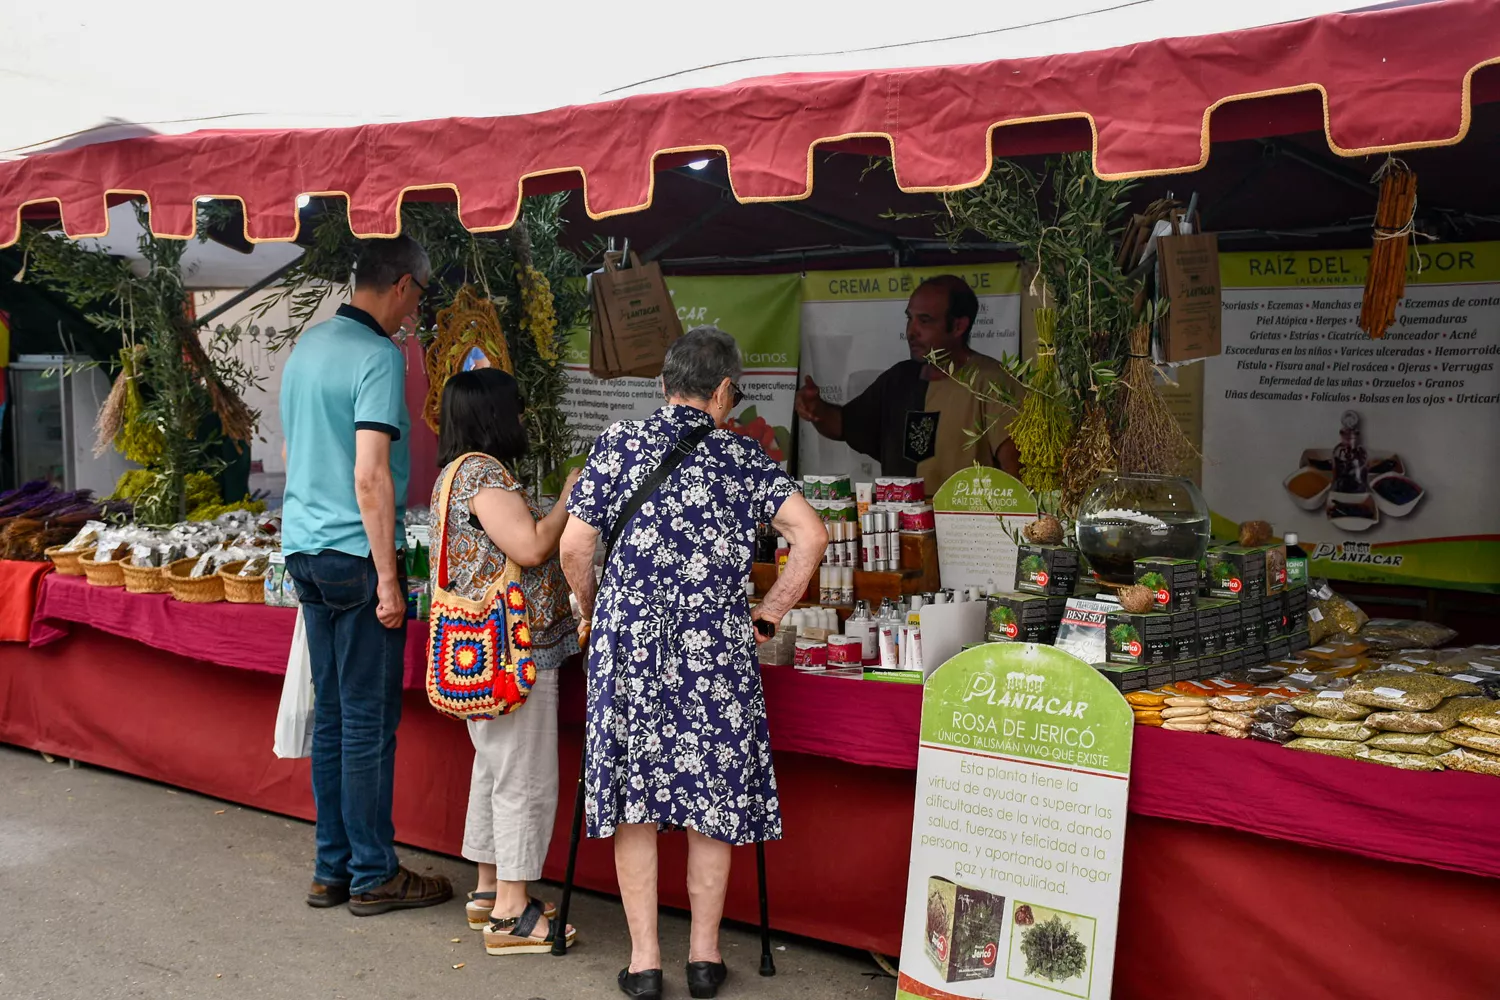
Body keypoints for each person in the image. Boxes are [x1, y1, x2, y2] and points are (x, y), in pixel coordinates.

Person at [559, 327, 826, 1000]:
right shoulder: (745, 457)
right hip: (716, 648)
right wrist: (770, 611)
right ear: (727, 390)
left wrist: (595, 609)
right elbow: (811, 535)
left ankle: (645, 963)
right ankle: (704, 959)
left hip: (628, 646)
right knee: (712, 796)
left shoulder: (616, 445)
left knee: (635, 799)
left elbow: (574, 546)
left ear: (663, 386)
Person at [280, 235, 453, 915]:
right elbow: (371, 475)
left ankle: (333, 867)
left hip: (303, 550)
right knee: (366, 724)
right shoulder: (379, 356)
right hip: (354, 555)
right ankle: (374, 872)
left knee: (333, 720)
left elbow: (299, 450)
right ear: (405, 286)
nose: (415, 312)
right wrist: (389, 578)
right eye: (419, 297)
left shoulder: (309, 346)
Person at [429, 368, 581, 954]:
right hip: (513, 651)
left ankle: (490, 889)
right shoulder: (483, 473)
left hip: (482, 649)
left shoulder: (453, 474)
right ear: (496, 413)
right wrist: (569, 498)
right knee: (524, 776)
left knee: (494, 769)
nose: (521, 418)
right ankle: (513, 914)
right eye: (515, 408)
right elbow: (532, 546)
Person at [796, 274, 1021, 496]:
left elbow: (1017, 474)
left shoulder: (993, 382)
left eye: (924, 321)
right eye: (909, 319)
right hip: (901, 525)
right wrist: (818, 410)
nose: (911, 332)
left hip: (967, 527)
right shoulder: (898, 379)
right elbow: (844, 426)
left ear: (958, 326)